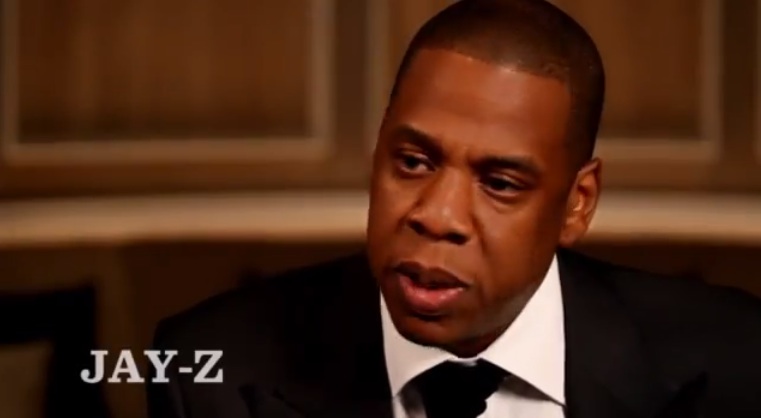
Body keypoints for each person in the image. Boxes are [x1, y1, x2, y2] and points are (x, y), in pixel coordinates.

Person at [146, 0, 761, 417]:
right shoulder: (210, 373)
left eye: (500, 183)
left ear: (577, 204)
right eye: (413, 162)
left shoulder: (739, 361)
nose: (436, 216)